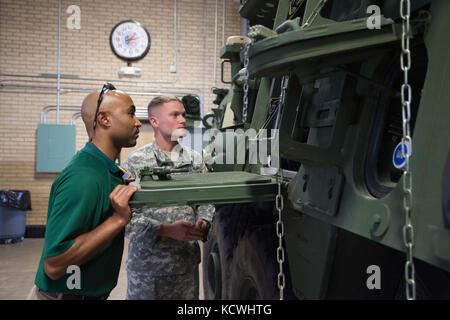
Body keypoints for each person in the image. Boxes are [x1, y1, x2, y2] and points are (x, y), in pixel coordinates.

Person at [30, 83, 142, 300]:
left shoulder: (103, 170)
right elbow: (55, 264)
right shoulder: (84, 176)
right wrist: (117, 220)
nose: (137, 122)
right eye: (131, 114)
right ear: (104, 119)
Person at [122, 96, 215, 300]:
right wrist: (166, 230)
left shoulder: (195, 160)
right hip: (146, 270)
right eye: (175, 115)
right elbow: (124, 218)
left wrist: (204, 221)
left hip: (185, 266)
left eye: (182, 114)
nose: (182, 119)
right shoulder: (135, 162)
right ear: (154, 121)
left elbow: (206, 199)